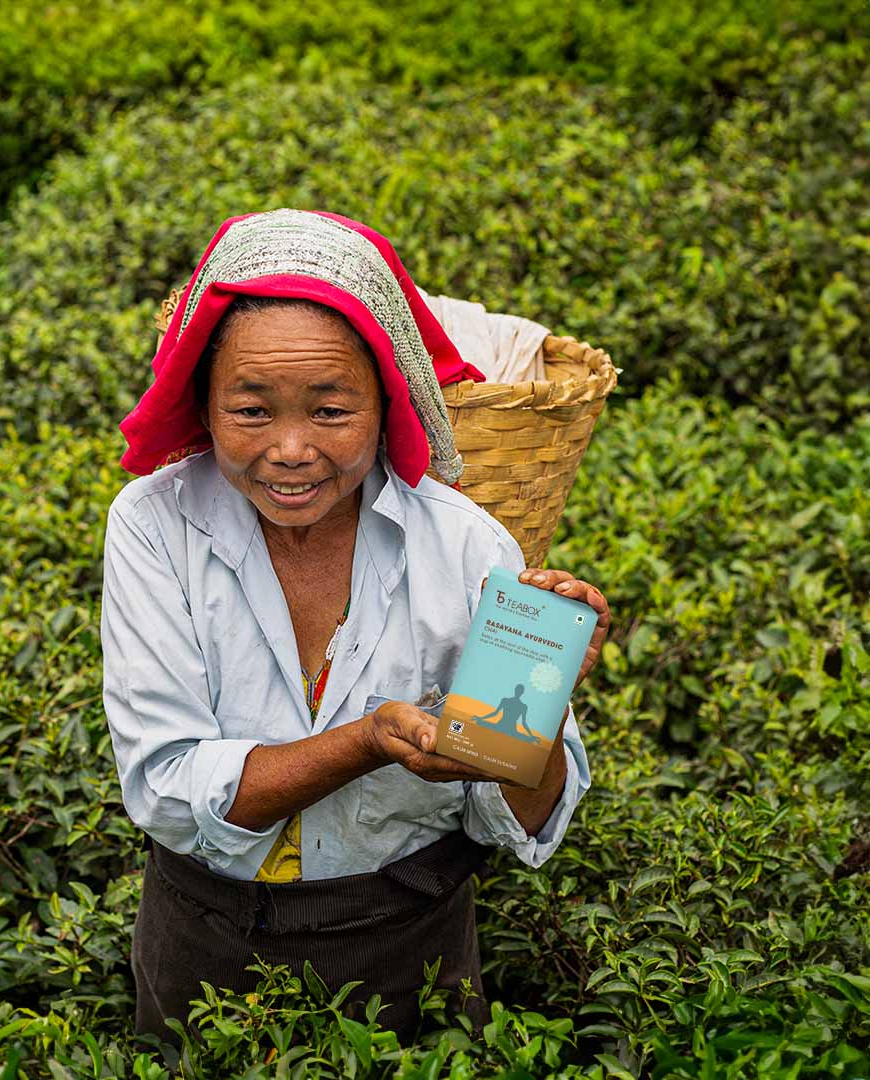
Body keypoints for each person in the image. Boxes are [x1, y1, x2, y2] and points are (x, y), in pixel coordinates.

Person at [100, 208, 610, 1044]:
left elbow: (512, 814)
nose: (292, 449)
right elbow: (165, 788)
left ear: (386, 402)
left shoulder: (465, 541)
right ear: (203, 403)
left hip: (411, 940)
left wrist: (536, 713)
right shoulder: (156, 524)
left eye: (331, 411)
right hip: (206, 940)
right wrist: (368, 740)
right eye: (252, 411)